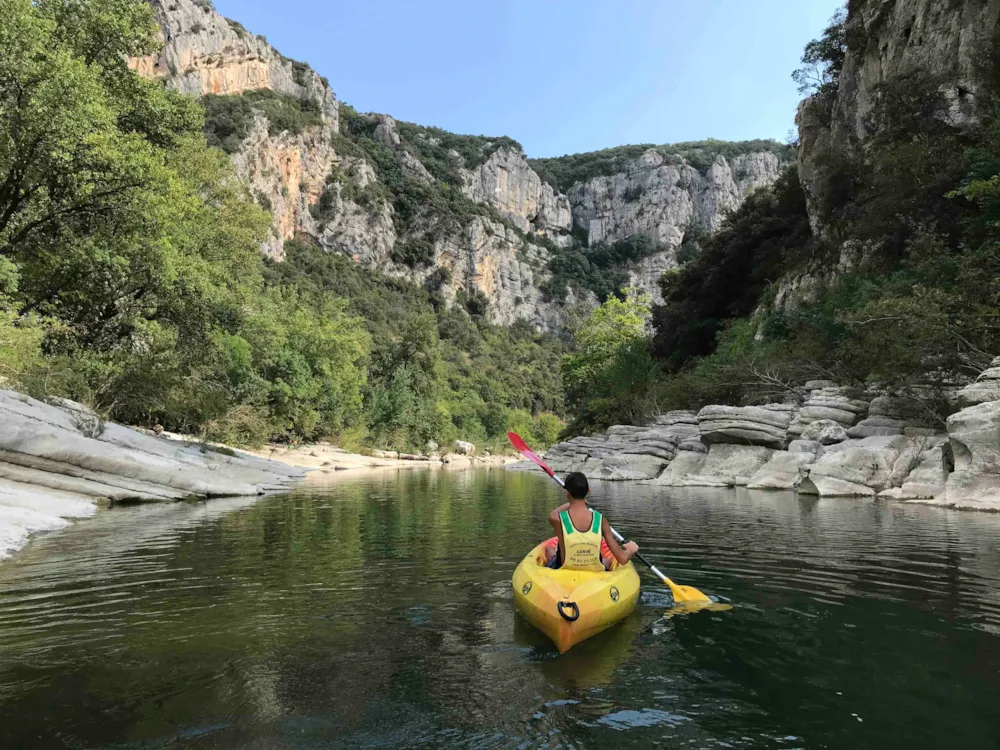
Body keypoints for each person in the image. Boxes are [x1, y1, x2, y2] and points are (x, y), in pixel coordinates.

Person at [545, 472, 639, 571]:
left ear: (567, 493)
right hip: (594, 572)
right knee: (607, 561)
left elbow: (553, 514)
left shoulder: (558, 520)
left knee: (548, 550)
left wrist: (569, 503)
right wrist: (631, 549)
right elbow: (623, 559)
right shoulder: (601, 521)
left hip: (565, 570)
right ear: (588, 491)